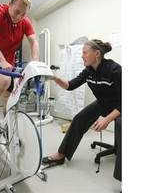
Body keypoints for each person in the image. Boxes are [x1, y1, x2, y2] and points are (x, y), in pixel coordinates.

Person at [42, 39, 121, 173]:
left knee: (121, 125)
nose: (82, 56)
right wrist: (55, 78)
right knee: (79, 118)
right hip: (103, 103)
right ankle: (61, 155)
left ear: (96, 54)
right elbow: (70, 85)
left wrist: (107, 119)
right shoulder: (88, 71)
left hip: (121, 105)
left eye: (84, 53)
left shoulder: (115, 70)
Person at [0, 0, 39, 129]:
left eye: (23, 14)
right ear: (10, 4)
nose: (19, 17)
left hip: (8, 63)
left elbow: (33, 42)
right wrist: (0, 59)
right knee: (5, 80)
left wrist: (35, 64)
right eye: (17, 12)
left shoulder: (25, 21)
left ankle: (8, 127)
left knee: (9, 97)